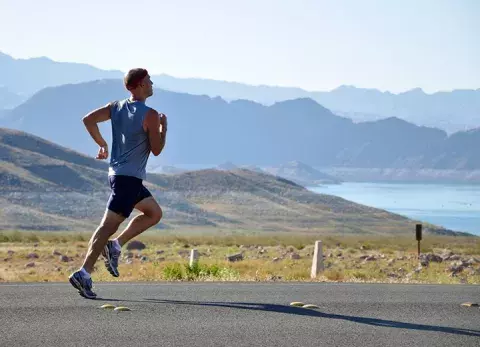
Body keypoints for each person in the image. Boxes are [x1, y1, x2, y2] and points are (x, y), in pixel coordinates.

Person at [69, 68, 167, 299]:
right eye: (150, 81)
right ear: (141, 84)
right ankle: (84, 272)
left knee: (154, 213)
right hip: (128, 180)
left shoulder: (116, 107)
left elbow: (88, 119)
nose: (152, 84)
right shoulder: (150, 114)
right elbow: (157, 149)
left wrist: (102, 144)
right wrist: (164, 128)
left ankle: (115, 245)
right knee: (106, 226)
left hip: (119, 175)